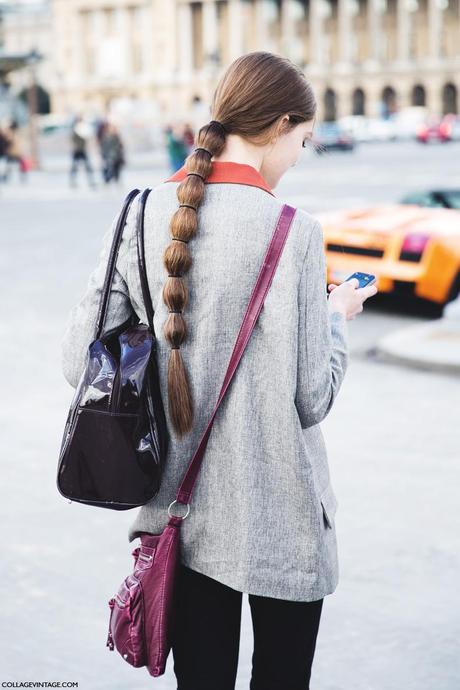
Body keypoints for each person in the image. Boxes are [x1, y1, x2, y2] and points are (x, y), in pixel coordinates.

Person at [60, 51, 378, 690]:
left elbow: (79, 361)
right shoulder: (295, 231)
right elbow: (313, 396)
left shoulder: (139, 212)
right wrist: (336, 314)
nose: (296, 158)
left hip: (178, 511)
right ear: (281, 126)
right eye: (302, 142)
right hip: (281, 516)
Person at [69, 115, 95, 188]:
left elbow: (87, 137)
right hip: (77, 150)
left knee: (87, 167)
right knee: (75, 167)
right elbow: (73, 140)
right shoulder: (75, 129)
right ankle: (73, 182)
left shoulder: (82, 129)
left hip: (82, 150)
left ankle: (91, 181)